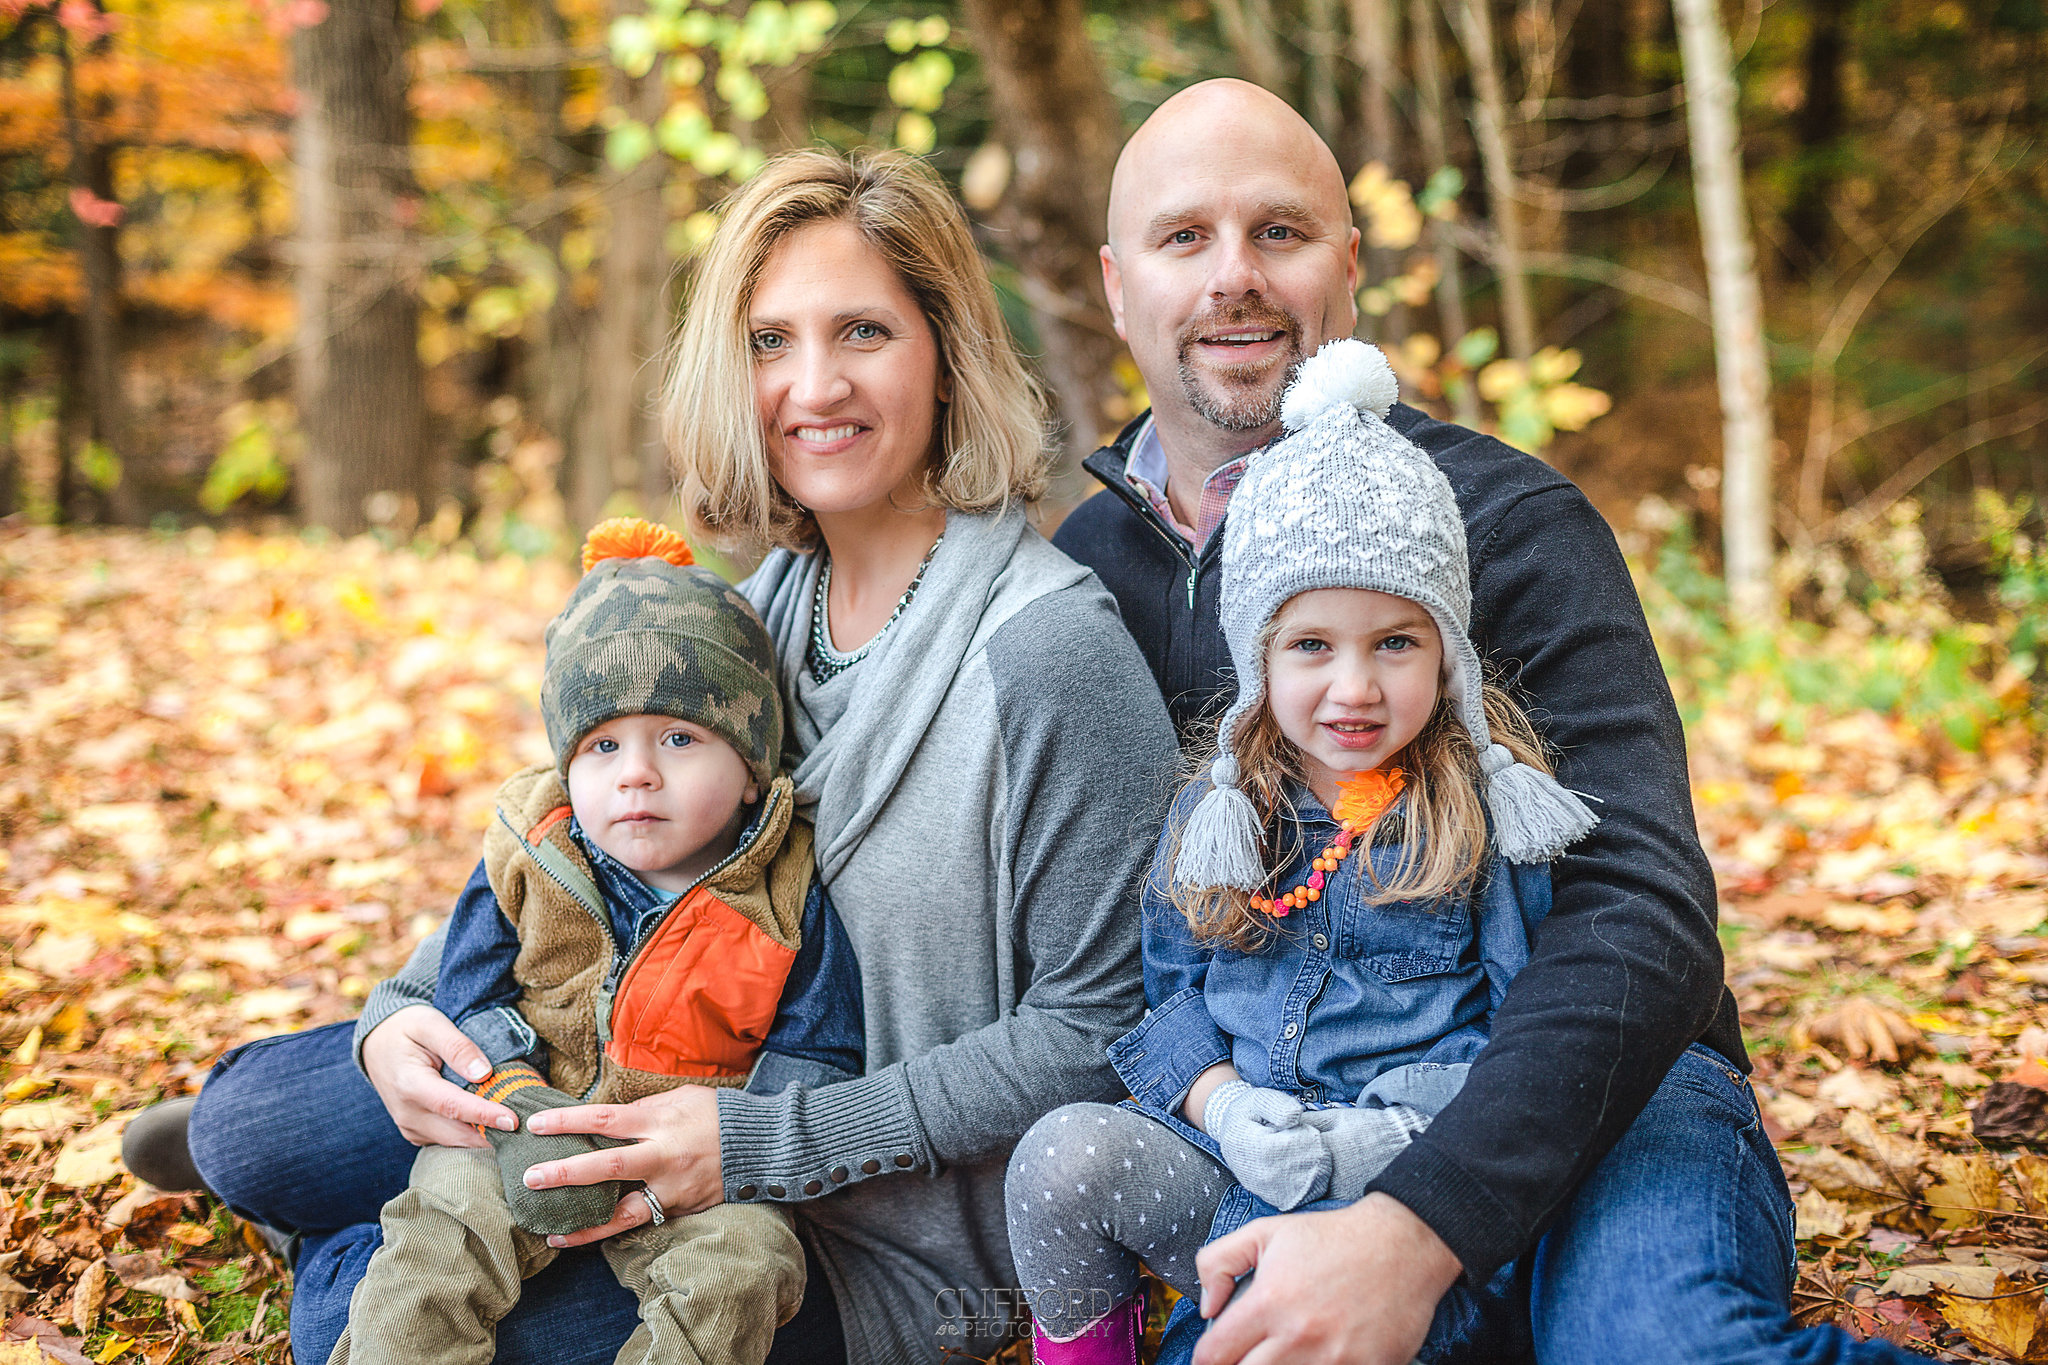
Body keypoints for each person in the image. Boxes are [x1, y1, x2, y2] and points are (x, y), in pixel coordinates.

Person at [163, 148, 1178, 1365]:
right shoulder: (754, 611)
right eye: (768, 342)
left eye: (862, 331)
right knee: (241, 1130)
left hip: (842, 1234)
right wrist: (407, 1014)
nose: (813, 384)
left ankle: (346, 1242)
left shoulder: (1051, 652)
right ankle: (350, 1197)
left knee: (352, 1318)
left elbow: (1101, 1031)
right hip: (600, 1071)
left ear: (947, 353)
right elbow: (575, 831)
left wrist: (758, 1144)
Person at [1051, 78, 1927, 1365]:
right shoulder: (1088, 570)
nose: (1233, 276)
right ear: (1118, 284)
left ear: (1347, 266)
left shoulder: (1507, 521)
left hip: (1595, 1094)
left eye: (1279, 233)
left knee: (1661, 1350)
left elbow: (1643, 912)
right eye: (1185, 238)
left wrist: (1421, 1224)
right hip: (1284, 1127)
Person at [1009, 339, 1598, 1362]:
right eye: (1312, 646)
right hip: (1239, 1182)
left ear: (1447, 654)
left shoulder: (1475, 822)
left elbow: (1528, 1041)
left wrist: (1392, 1140)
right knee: (1064, 1159)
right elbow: (1170, 1002)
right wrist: (1226, 1108)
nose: (1353, 687)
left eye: (1395, 642)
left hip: (1409, 1210)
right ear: (1258, 658)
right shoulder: (1217, 818)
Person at [327, 517, 864, 1365]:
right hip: (520, 1121)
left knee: (747, 1269)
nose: (636, 773)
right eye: (603, 744)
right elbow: (468, 982)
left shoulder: (784, 892)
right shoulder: (536, 851)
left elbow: (820, 1045)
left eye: (680, 739)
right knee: (432, 1251)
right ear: (567, 763)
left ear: (754, 764)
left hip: (686, 1160)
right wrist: (510, 1087)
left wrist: (743, 1132)